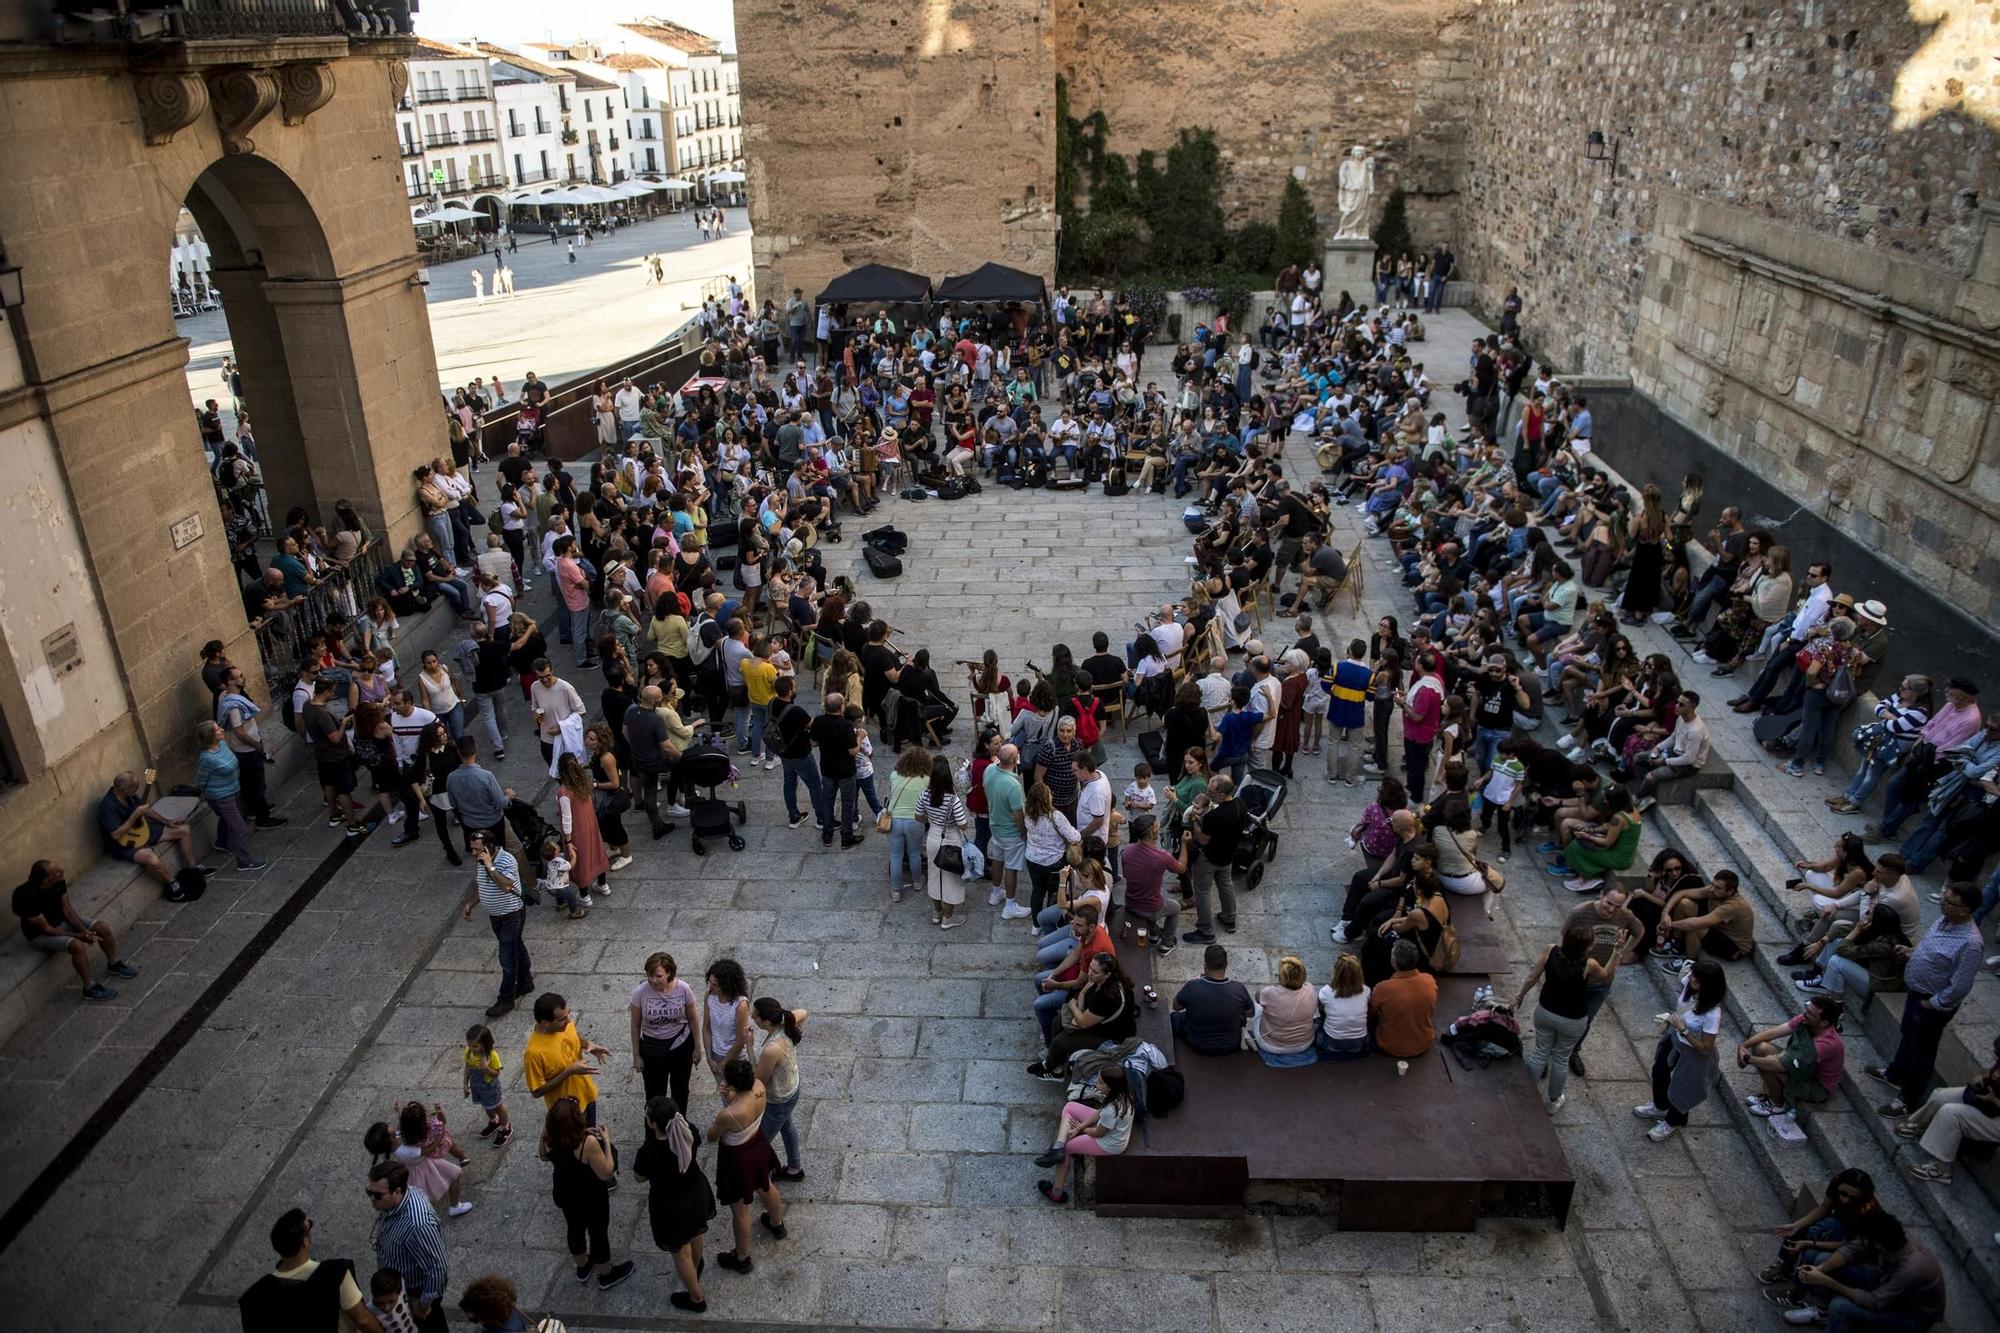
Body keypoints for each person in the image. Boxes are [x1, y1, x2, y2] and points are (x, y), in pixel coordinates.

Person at [1868, 881, 1984, 1119]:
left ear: (1965, 910)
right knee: (1908, 1034)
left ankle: (1908, 1100)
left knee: (1922, 1052)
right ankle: (1894, 1073)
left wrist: (1933, 1004)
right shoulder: (1943, 921)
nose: (1942, 903)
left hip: (1933, 1003)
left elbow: (1960, 985)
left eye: (1949, 902)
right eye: (1944, 898)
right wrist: (1911, 953)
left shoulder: (1971, 944)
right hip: (1916, 992)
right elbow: (1932, 949)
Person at [1515, 921, 1626, 1112]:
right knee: (1561, 1057)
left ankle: (1528, 1095)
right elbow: (1606, 976)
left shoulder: (1551, 951)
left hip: (1545, 1012)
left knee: (1540, 1052)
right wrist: (1616, 951)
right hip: (1572, 1019)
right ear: (1588, 946)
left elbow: (1532, 977)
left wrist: (1519, 996)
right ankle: (1554, 1100)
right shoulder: (1588, 964)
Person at [1777, 1209, 1947, 1331]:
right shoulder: (1892, 1238)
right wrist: (1820, 1269)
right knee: (1823, 1259)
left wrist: (1826, 1281)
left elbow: (1874, 1302)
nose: (1862, 1242)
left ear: (1879, 1245)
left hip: (1911, 1315)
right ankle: (1821, 1312)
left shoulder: (1910, 1269)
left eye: (1866, 1240)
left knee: (1840, 1306)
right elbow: (1853, 1249)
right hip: (1887, 1283)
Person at [538, 1096, 634, 1290]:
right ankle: (606, 1273)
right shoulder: (587, 1143)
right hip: (590, 1196)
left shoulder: (548, 1135)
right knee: (598, 1232)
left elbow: (543, 1156)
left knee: (574, 1228)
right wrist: (606, 1141)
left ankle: (583, 1266)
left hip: (565, 1193)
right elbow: (606, 1172)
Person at [238, 1207, 386, 1333]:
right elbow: (363, 1320)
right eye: (310, 1226)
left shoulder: (255, 1294)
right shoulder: (333, 1275)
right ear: (305, 1241)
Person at [632, 1095, 716, 1313]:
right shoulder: (690, 1131)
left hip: (671, 1206)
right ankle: (696, 1267)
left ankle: (696, 1298)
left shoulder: (649, 1152)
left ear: (653, 1124)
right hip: (696, 1193)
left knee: (680, 1254)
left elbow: (639, 1177)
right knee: (696, 1233)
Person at [10, 860, 139, 1001]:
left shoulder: (58, 882)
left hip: (62, 921)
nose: (61, 871)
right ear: (47, 879)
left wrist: (84, 930)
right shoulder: (26, 896)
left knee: (101, 927)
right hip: (40, 935)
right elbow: (47, 929)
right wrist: (78, 935)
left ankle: (114, 964)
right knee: (76, 945)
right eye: (57, 871)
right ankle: (89, 988)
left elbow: (68, 910)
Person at [710, 1057, 788, 1272]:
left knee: (740, 1210)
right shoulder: (759, 1087)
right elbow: (744, 1102)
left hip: (737, 1157)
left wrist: (728, 1098)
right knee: (766, 1185)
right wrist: (731, 1095)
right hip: (758, 1143)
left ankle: (742, 1258)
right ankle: (777, 1224)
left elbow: (711, 1135)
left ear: (733, 1084)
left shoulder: (728, 1114)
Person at [1635, 958, 1726, 1142]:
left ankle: (1673, 1121)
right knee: (1659, 1070)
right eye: (1692, 974)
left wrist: (1683, 1029)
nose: (1690, 978)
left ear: (1706, 985)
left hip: (1693, 1051)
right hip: (1674, 1038)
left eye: (1695, 977)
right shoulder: (1690, 986)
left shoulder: (1712, 1014)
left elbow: (1706, 1048)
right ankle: (1660, 1106)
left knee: (1682, 1087)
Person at [1894, 1034, 2000, 1184]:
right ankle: (1921, 1125)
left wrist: (1994, 1100)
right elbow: (1992, 1072)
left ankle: (1942, 1170)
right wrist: (1982, 1078)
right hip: (1987, 1101)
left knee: (1951, 1113)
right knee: (1942, 1096)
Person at [1738, 994, 1846, 1128]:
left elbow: (1782, 1065)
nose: (1804, 1013)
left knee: (1770, 1063)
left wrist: (1748, 1059)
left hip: (1816, 1086)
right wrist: (1744, 1045)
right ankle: (1768, 1093)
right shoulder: (1806, 1019)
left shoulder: (1826, 1044)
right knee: (1762, 1047)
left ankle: (1776, 1104)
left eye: (1810, 1013)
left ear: (1824, 1022)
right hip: (1801, 1067)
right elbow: (1774, 1032)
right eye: (1806, 1008)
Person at [1033, 1064, 1135, 1205]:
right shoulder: (1121, 1095)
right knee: (1070, 1107)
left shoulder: (1112, 1110)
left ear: (1110, 1087)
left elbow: (1098, 1133)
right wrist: (1079, 1127)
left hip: (1109, 1144)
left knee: (1067, 1148)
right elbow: (1098, 1113)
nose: (1095, 1083)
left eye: (1100, 1082)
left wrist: (1080, 1129)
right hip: (1107, 1128)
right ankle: (1057, 1147)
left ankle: (1056, 1193)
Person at [366, 1162, 450, 1333]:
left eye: (377, 1194)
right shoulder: (399, 1199)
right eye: (369, 1192)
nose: (372, 1198)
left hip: (414, 1293)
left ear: (397, 1191)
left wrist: (425, 1303)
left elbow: (437, 1267)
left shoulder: (418, 1225)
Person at [459, 831, 532, 1019]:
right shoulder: (481, 861)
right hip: (496, 916)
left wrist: (491, 867)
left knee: (507, 958)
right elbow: (481, 885)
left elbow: (506, 886)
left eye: (477, 849)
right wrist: (470, 904)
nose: (473, 853)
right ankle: (525, 982)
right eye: (472, 848)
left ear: (490, 847)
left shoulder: (506, 860)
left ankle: (506, 999)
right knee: (516, 946)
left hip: (511, 915)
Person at [98, 768, 201, 887]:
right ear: (125, 790)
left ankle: (193, 868)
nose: (137, 790)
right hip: (124, 844)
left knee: (183, 829)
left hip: (144, 831)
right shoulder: (108, 806)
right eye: (135, 788)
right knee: (152, 859)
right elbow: (115, 835)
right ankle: (172, 883)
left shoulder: (129, 795)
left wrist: (166, 821)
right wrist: (134, 815)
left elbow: (145, 809)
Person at [523, 991, 610, 1128]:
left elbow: (574, 1035)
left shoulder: (565, 1025)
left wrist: (588, 1045)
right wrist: (568, 1072)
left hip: (587, 1095)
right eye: (562, 1019)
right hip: (568, 1113)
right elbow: (536, 1091)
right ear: (545, 1023)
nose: (569, 1021)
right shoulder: (534, 1053)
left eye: (568, 1014)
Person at [630, 951, 703, 1113]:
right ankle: (654, 1132)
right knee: (654, 1095)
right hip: (652, 1048)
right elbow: (635, 1025)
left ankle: (678, 1126)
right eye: (650, 975)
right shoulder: (640, 993)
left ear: (669, 973)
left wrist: (698, 1048)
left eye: (658, 976)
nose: (653, 980)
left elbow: (693, 1019)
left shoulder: (683, 989)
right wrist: (636, 1055)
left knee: (681, 1091)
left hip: (680, 1045)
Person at [192, 720, 268, 871]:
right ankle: (244, 861)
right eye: (217, 729)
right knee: (239, 828)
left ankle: (221, 842)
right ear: (210, 736)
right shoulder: (207, 758)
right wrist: (201, 793)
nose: (221, 729)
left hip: (233, 789)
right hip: (220, 796)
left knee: (228, 819)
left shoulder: (223, 744)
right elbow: (200, 779)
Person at [752, 997, 810, 1181]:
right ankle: (795, 1168)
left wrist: (747, 1043)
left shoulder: (772, 1049)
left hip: (778, 1100)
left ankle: (764, 1181)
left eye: (755, 1016)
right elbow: (803, 1012)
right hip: (792, 1088)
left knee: (758, 1144)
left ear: (766, 1022)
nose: (752, 1017)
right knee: (787, 1127)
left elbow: (758, 1080)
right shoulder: (786, 1022)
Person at [1181, 773, 1243, 944]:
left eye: (1211, 792)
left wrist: (1194, 820)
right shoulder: (1240, 804)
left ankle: (1205, 930)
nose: (1208, 795)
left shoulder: (1213, 816)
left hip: (1209, 859)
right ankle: (1229, 918)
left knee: (1202, 891)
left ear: (1221, 795)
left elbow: (1202, 839)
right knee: (1226, 883)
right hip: (1228, 856)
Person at [916, 752, 972, 928]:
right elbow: (963, 825)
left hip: (933, 837)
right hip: (951, 840)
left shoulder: (924, 794)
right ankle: (948, 918)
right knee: (951, 881)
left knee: (934, 876)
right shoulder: (953, 800)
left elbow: (918, 816)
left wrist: (932, 820)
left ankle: (936, 912)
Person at [1171, 942, 1254, 1055]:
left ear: (1205, 965)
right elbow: (1250, 1013)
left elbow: (1176, 1007)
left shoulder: (1193, 986)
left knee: (1175, 1017)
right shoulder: (1239, 988)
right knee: (1240, 1016)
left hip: (1197, 1043)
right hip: (1230, 1044)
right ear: (1226, 965)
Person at [1369, 938, 1439, 1059]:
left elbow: (1371, 1014)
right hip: (1423, 1043)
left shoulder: (1383, 988)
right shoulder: (1429, 981)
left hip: (1390, 1045)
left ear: (1394, 962)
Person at [1251, 955, 1320, 1067]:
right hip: (1305, 1043)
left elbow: (1257, 997)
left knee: (1257, 1006)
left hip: (1271, 1046)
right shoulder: (1310, 989)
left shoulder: (1269, 993)